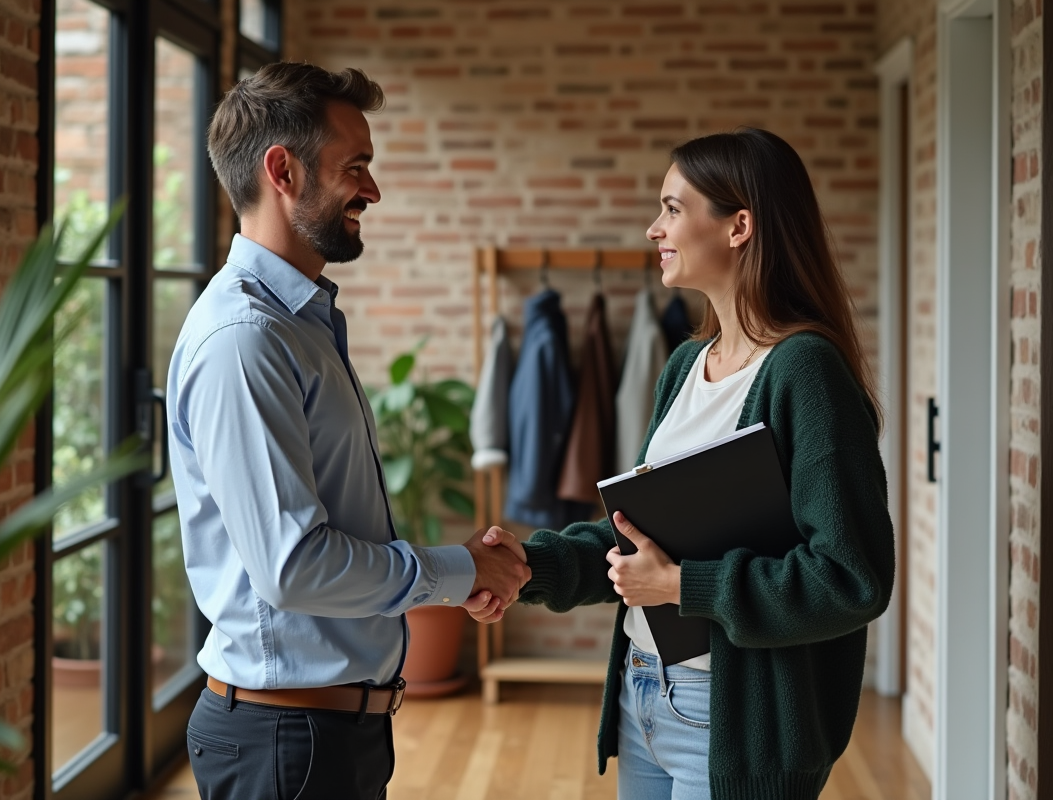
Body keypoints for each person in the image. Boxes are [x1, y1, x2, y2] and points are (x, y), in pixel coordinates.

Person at [468, 128, 895, 800]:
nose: (652, 228)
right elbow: (640, 539)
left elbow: (850, 578)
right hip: (645, 691)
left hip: (734, 722)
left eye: (672, 208)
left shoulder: (805, 374)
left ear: (739, 227)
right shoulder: (684, 367)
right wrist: (531, 568)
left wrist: (683, 588)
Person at [167, 62, 529, 800]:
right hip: (287, 745)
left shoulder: (300, 325)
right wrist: (457, 572)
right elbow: (294, 566)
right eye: (355, 167)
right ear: (283, 170)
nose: (373, 190)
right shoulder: (246, 339)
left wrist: (462, 578)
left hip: (327, 735)